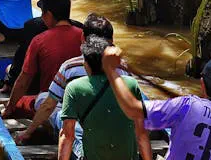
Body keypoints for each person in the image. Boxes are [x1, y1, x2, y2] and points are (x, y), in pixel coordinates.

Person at [49, 36, 156, 160]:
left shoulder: (74, 88)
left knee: (61, 118)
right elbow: (142, 133)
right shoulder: (130, 84)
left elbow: (67, 135)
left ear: (86, 63)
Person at [15, 13, 131, 143]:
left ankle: (55, 136)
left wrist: (28, 132)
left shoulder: (70, 67)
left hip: (82, 126)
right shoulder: (122, 66)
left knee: (43, 99)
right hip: (113, 124)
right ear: (111, 41)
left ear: (83, 38)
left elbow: (48, 106)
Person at [3, 0, 83, 119]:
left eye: (42, 13)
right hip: (80, 101)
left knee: (18, 103)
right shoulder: (85, 35)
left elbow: (24, 80)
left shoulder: (39, 40)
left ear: (49, 14)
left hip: (50, 103)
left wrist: (10, 107)